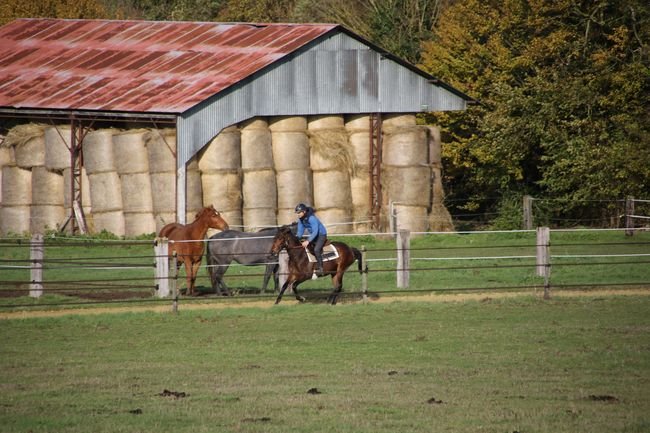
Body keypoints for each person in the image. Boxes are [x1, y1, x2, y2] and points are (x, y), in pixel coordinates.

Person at [295, 203, 327, 276]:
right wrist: (297, 238)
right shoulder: (301, 220)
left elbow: (315, 231)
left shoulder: (312, 218)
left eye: (299, 212)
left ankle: (321, 268)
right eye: (297, 213)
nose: (298, 214)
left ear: (304, 212)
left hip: (321, 235)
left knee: (316, 249)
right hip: (314, 235)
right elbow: (300, 231)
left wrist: (308, 241)